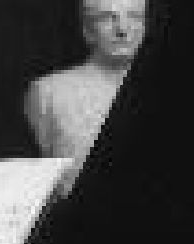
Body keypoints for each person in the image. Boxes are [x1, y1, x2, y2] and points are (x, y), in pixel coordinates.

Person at [23, 0, 155, 188]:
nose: (122, 29)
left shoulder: (174, 89)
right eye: (107, 18)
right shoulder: (49, 92)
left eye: (134, 17)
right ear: (88, 31)